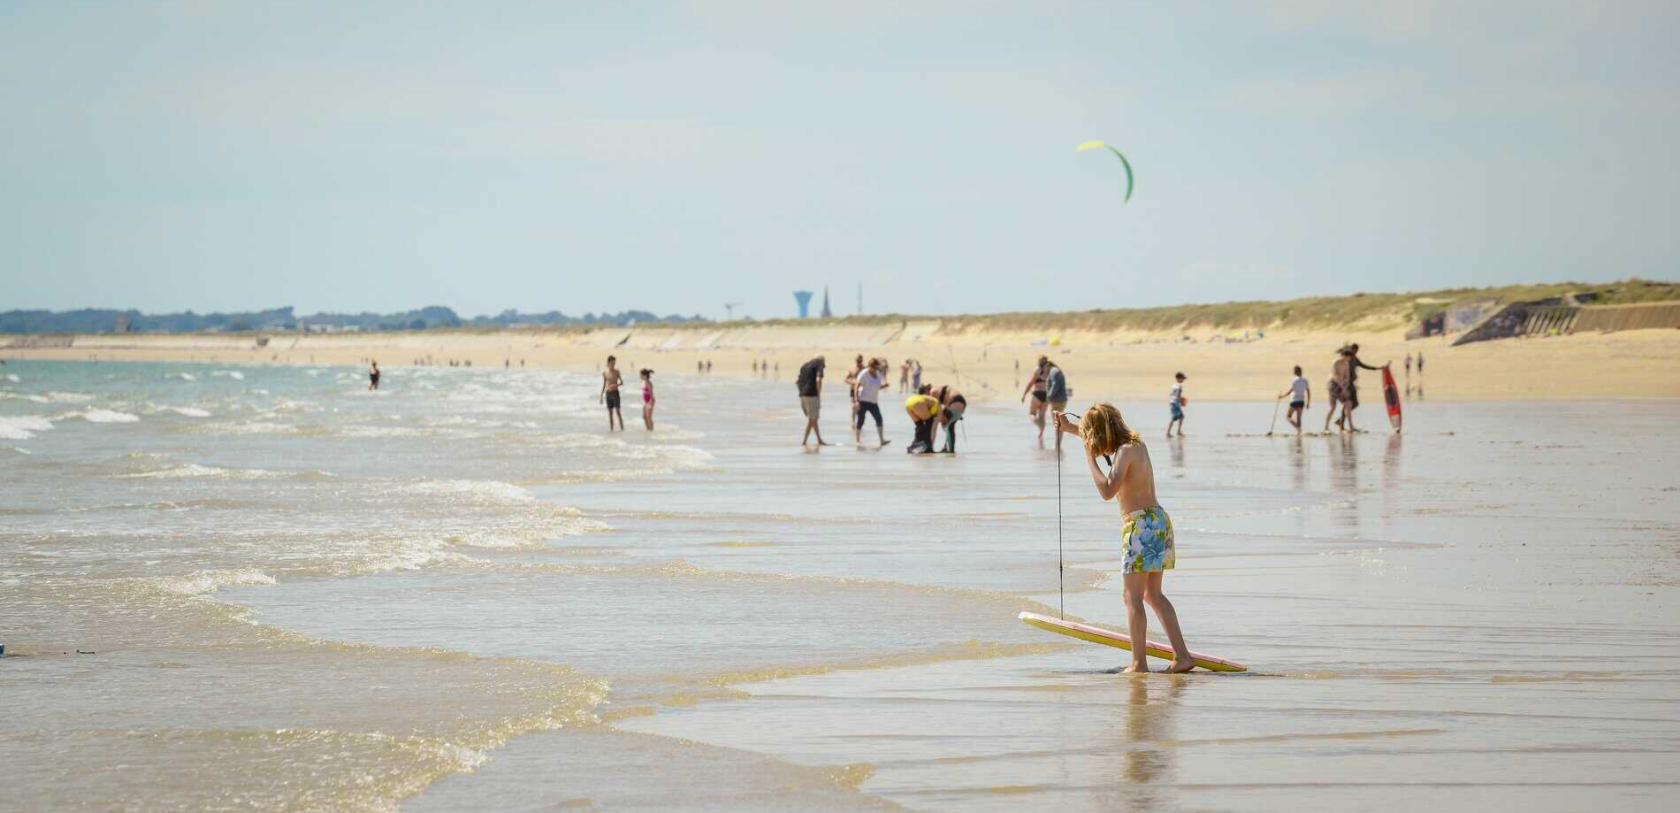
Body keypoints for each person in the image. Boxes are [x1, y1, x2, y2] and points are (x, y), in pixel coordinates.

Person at [1053, 404, 1195, 673]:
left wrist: (1088, 458)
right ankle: (1182, 656)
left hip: (1139, 525)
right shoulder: (1136, 445)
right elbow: (1100, 441)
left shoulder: (1124, 452)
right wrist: (1070, 429)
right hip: (1158, 520)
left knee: (1132, 597)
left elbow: (1108, 491)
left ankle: (1138, 664)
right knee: (1153, 594)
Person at [854, 358, 890, 446]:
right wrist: (856, 401)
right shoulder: (864, 373)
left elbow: (876, 387)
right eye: (874, 368)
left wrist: (884, 386)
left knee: (879, 419)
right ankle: (857, 440)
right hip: (863, 401)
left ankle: (881, 440)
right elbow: (856, 386)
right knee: (861, 420)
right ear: (870, 366)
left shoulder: (877, 374)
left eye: (877, 368)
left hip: (873, 401)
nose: (875, 370)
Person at [797, 356, 831, 446]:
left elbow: (798, 381)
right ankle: (804, 441)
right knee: (812, 419)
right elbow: (818, 379)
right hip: (812, 395)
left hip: (802, 394)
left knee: (813, 419)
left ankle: (819, 440)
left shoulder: (804, 366)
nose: (823, 367)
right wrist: (818, 394)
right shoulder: (819, 364)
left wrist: (801, 394)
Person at [904, 385, 941, 454]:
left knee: (919, 426)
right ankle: (928, 447)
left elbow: (923, 415)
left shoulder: (924, 397)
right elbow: (931, 415)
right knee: (929, 424)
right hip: (918, 403)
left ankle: (914, 446)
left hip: (908, 403)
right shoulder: (935, 402)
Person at [931, 382, 966, 453]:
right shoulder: (938, 390)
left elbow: (938, 408)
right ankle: (949, 449)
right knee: (948, 426)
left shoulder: (933, 392)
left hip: (956, 401)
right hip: (958, 402)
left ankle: (949, 450)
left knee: (948, 426)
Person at [1021, 357, 1049, 445]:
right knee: (1042, 416)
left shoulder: (1037, 370)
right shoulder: (1049, 370)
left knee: (1031, 414)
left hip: (1037, 394)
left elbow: (1031, 383)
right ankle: (1041, 433)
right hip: (1046, 395)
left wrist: (1024, 395)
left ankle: (1037, 423)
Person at [1044, 360, 1070, 450]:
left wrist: (1049, 396)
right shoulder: (1055, 371)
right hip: (1059, 400)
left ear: (1046, 366)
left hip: (1057, 401)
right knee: (1059, 424)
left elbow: (1055, 385)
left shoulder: (1054, 371)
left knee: (1058, 424)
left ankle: (1057, 446)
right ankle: (1057, 445)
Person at [1281, 365, 1311, 435]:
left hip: (1294, 401)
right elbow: (1308, 392)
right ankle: (1299, 433)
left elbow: (1290, 391)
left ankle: (1297, 427)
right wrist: (1308, 402)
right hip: (1301, 401)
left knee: (1288, 417)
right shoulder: (1305, 380)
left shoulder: (1294, 380)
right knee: (1299, 418)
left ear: (1295, 372)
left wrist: (1282, 396)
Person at [601, 356, 625, 431]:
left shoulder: (617, 372)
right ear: (608, 363)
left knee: (618, 412)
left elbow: (622, 382)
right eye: (612, 363)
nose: (613, 364)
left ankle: (622, 429)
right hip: (608, 393)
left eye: (614, 363)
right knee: (610, 413)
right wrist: (601, 395)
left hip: (615, 393)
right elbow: (604, 384)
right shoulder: (605, 372)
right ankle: (611, 430)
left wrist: (616, 385)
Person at [845, 354, 865, 427]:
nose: (859, 362)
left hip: (863, 391)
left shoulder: (865, 369)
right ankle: (853, 422)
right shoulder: (852, 368)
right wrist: (853, 382)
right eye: (857, 361)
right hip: (853, 390)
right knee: (854, 407)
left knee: (861, 408)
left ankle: (859, 422)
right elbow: (846, 379)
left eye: (860, 361)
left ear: (862, 361)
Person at [1166, 372, 1187, 437]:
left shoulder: (1173, 385)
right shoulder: (1179, 386)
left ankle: (1178, 431)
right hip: (1175, 404)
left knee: (1182, 416)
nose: (1183, 380)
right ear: (1178, 378)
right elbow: (1178, 395)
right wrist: (1182, 400)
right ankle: (1168, 433)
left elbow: (1171, 394)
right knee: (1174, 418)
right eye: (1182, 378)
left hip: (1172, 402)